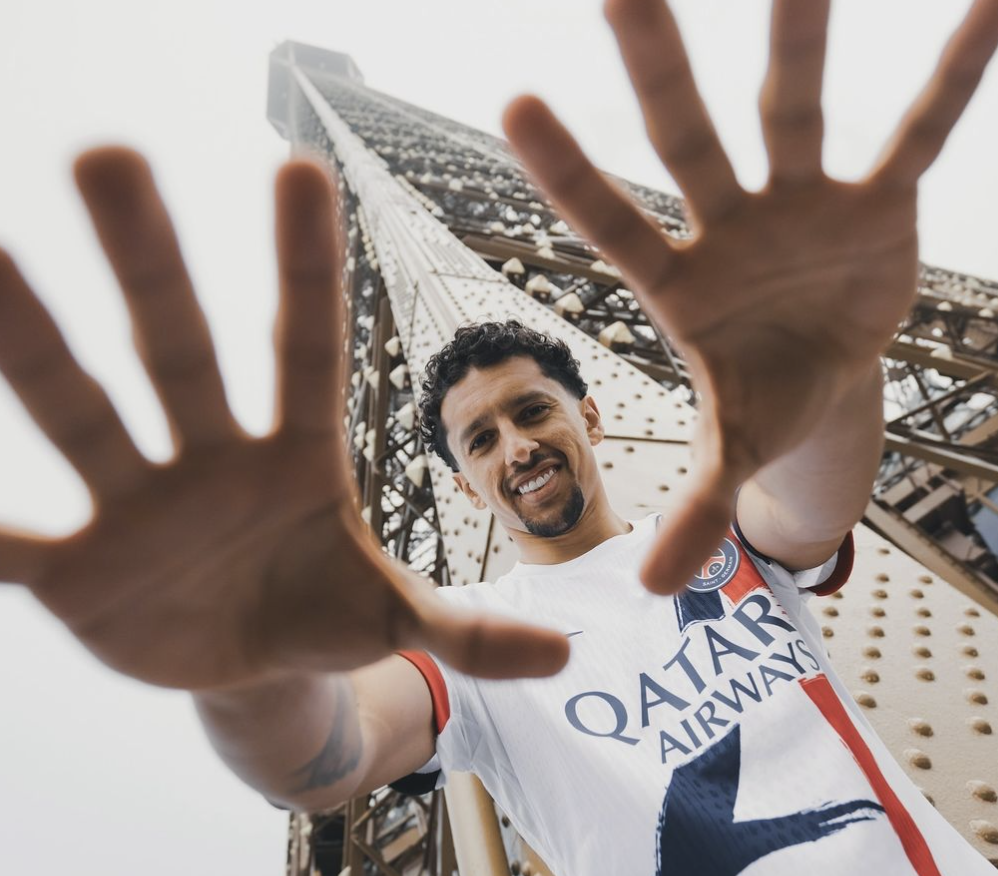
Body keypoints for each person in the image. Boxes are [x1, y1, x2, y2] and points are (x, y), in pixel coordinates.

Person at [0, 0, 996, 873]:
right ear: (462, 479)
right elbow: (329, 756)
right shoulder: (463, 645)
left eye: (530, 411)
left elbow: (818, 495)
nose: (513, 447)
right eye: (478, 440)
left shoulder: (719, 540)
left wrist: (827, 359)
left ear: (590, 413)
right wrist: (241, 669)